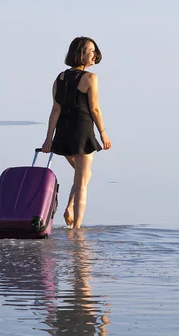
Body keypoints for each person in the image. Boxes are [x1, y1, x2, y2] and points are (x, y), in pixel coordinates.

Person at [41, 36, 112, 229]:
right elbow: (95, 108)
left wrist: (49, 139)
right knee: (82, 181)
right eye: (91, 50)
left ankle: (69, 207)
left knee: (84, 175)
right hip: (82, 131)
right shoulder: (90, 78)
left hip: (63, 133)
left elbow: (55, 110)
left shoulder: (59, 78)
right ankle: (77, 229)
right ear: (80, 53)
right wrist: (103, 133)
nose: (94, 54)